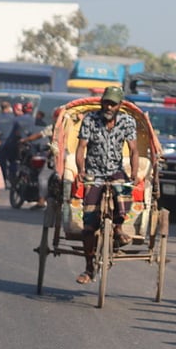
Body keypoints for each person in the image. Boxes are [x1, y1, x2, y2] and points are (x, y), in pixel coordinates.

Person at [74, 85, 140, 284]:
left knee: (123, 190)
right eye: (106, 102)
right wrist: (81, 170)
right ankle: (88, 268)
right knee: (88, 224)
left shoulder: (127, 121)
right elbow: (81, 148)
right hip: (94, 171)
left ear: (120, 105)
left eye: (113, 103)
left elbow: (134, 150)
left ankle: (119, 228)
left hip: (115, 171)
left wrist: (135, 174)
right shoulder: (90, 120)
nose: (108, 107)